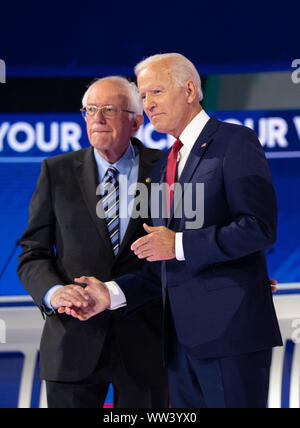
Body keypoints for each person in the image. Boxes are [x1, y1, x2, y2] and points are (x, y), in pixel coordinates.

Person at [62, 53, 283, 408]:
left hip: (229, 339)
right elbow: (161, 264)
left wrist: (179, 243)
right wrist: (111, 294)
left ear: (190, 89)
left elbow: (259, 228)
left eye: (156, 92)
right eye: (144, 96)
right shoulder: (166, 162)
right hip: (178, 348)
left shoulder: (234, 142)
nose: (147, 104)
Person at [17, 76, 169, 408]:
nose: (96, 119)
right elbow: (33, 254)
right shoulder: (57, 171)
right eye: (89, 110)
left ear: (135, 121)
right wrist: (55, 292)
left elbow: (185, 247)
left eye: (108, 110)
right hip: (72, 342)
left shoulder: (167, 170)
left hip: (147, 345)